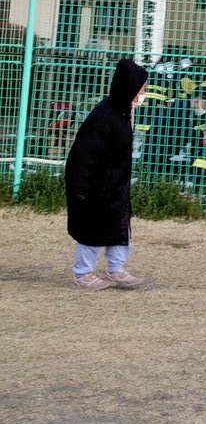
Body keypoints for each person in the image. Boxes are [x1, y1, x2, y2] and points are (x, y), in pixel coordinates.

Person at [65, 56, 149, 290]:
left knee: (120, 227)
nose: (144, 93)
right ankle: (83, 274)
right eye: (142, 88)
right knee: (92, 231)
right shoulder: (104, 117)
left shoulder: (122, 113)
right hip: (96, 187)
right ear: (129, 88)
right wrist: (81, 187)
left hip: (115, 186)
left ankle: (116, 269)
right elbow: (84, 155)